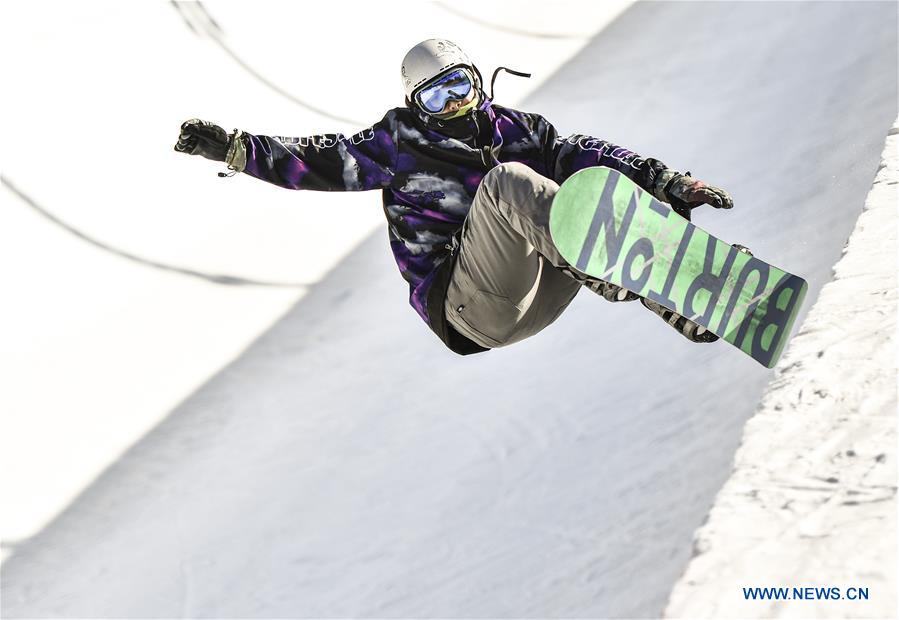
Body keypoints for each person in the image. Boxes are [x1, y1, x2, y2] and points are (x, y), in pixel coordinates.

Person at [174, 39, 735, 356]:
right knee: (508, 183)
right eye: (435, 95)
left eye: (459, 85)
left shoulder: (521, 128)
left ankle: (687, 280)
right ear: (416, 104)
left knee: (586, 183)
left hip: (537, 286)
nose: (453, 102)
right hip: (467, 308)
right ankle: (650, 284)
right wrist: (234, 149)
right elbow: (319, 160)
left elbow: (580, 154)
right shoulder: (398, 143)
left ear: (478, 80)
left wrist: (663, 181)